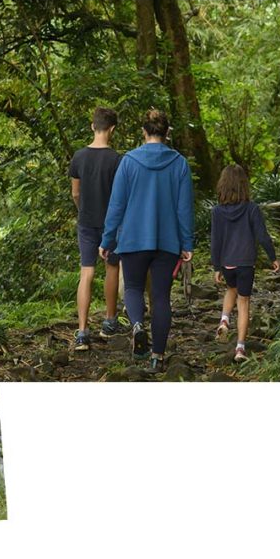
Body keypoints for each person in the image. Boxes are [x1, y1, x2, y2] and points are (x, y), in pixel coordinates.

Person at [99, 108, 193, 373]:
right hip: (167, 241)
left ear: (144, 132)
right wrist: (187, 244)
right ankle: (157, 357)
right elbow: (184, 209)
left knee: (132, 288)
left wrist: (107, 239)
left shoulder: (129, 162)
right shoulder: (179, 164)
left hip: (132, 239)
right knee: (161, 297)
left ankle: (138, 325)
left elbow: (116, 206)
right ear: (167, 133)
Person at [210, 165, 280, 362]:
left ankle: (224, 319)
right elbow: (262, 236)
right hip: (246, 263)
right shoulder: (252, 209)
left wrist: (216, 267)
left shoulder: (217, 212)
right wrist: (273, 257)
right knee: (243, 302)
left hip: (227, 263)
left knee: (230, 289)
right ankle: (240, 348)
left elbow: (215, 241)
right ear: (244, 185)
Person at [69, 107, 125, 351]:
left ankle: (82, 331)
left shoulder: (78, 157)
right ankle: (109, 322)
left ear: (93, 126)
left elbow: (75, 192)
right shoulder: (117, 160)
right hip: (110, 224)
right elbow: (121, 197)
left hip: (86, 221)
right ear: (112, 129)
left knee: (86, 273)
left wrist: (82, 210)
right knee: (112, 267)